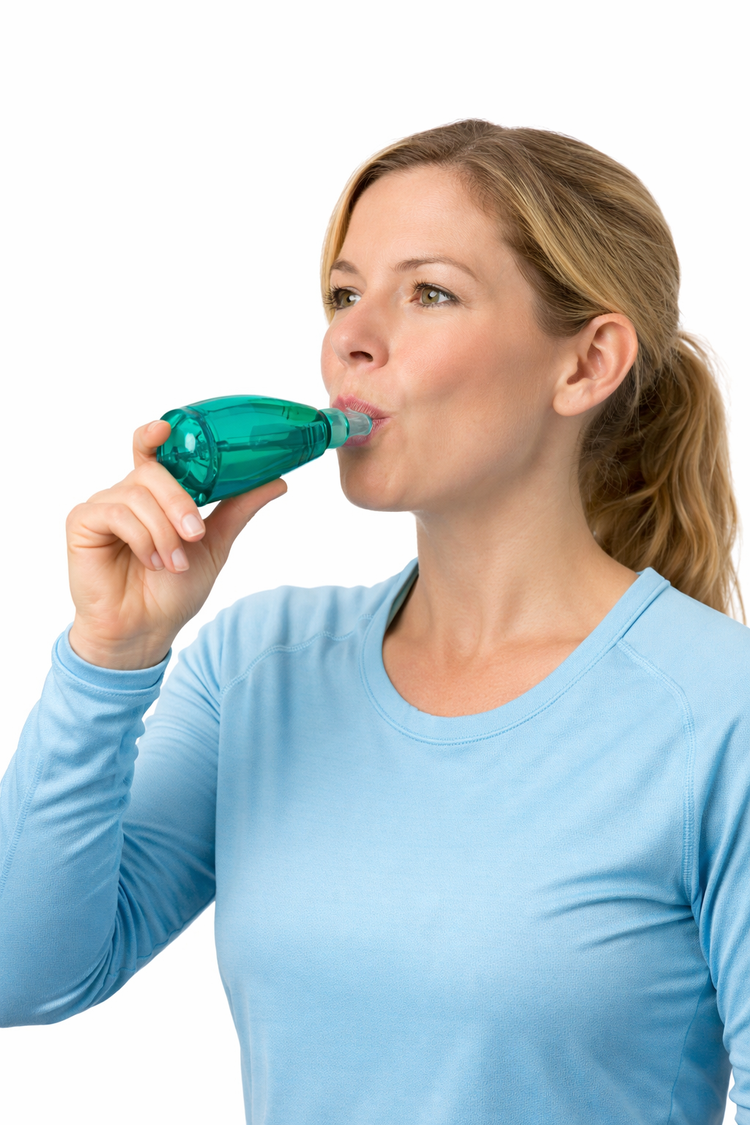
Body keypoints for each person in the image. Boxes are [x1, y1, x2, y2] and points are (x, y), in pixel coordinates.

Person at [0, 118, 747, 1124]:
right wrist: (110, 658)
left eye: (429, 292)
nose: (350, 339)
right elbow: (24, 973)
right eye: (344, 294)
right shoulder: (257, 667)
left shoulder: (719, 710)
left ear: (585, 364)